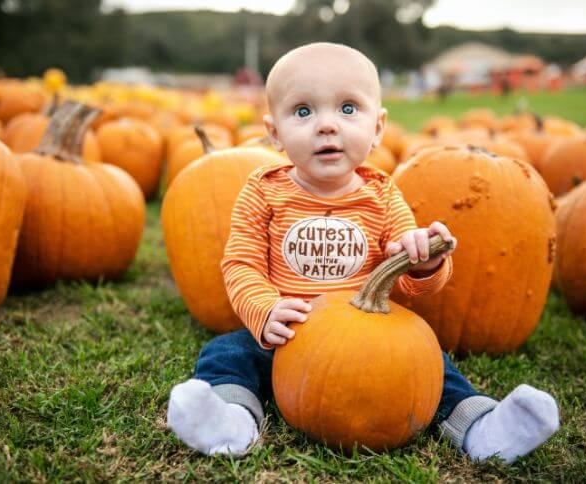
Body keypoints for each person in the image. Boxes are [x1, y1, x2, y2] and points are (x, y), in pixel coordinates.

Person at [167, 43, 559, 463]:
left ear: (377, 128)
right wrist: (265, 311)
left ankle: (482, 427)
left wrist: (425, 261)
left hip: (370, 341)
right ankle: (232, 420)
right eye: (303, 111)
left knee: (435, 368)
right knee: (226, 354)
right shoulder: (262, 191)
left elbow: (410, 279)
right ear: (275, 133)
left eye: (348, 108)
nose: (327, 126)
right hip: (288, 334)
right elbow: (240, 263)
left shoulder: (384, 196)